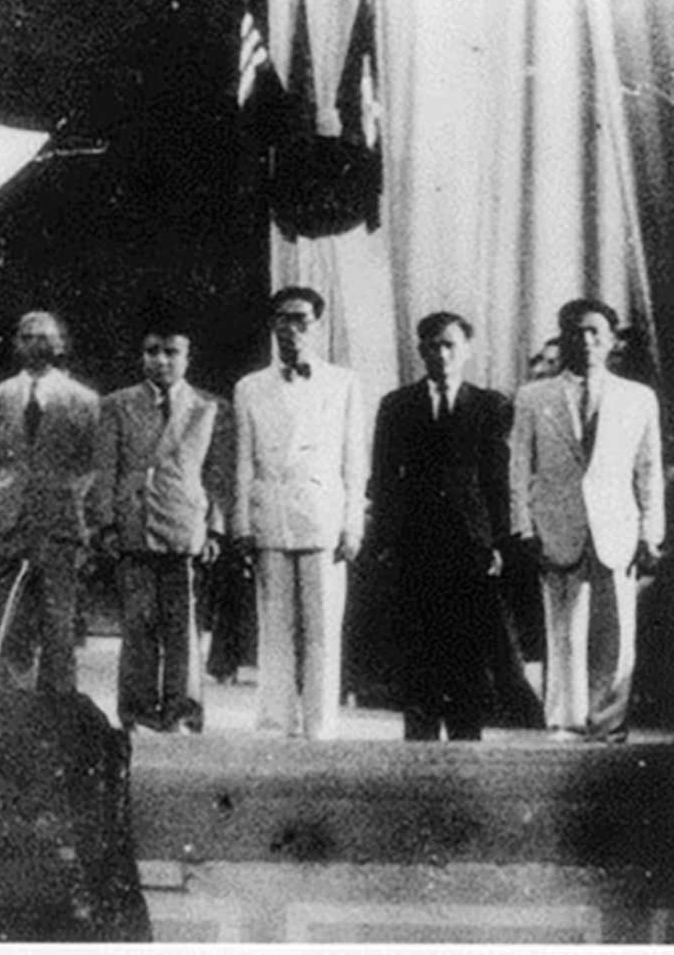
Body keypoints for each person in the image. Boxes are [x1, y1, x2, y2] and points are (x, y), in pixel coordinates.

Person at [509, 298, 663, 742]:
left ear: (612, 341)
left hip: (617, 528)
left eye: (596, 332)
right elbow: (519, 468)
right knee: (565, 629)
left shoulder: (637, 398)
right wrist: (525, 528)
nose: (587, 340)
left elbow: (648, 469)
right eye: (576, 332)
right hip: (558, 526)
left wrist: (651, 532)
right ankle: (567, 722)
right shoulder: (534, 397)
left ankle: (609, 724)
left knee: (616, 632)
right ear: (563, 339)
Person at [369, 312, 511, 741]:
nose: (442, 354)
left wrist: (498, 542)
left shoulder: (490, 406)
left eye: (450, 345)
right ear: (421, 351)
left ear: (466, 350)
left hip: (470, 543)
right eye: (433, 346)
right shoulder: (397, 405)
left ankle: (467, 735)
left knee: (467, 643)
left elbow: (498, 481)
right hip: (414, 540)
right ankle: (421, 736)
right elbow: (383, 477)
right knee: (417, 643)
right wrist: (384, 539)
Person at [232, 286, 366, 740]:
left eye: (301, 320)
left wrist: (352, 525)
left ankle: (321, 723)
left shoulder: (343, 383)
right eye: (283, 319)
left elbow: (354, 460)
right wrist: (242, 523)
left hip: (323, 518)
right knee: (275, 627)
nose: (292, 329)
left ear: (317, 325)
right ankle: (275, 721)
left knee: (323, 628)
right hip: (271, 515)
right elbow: (243, 461)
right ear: (273, 326)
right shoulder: (250, 387)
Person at [92, 316, 233, 732]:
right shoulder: (117, 405)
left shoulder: (210, 407)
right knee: (138, 624)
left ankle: (182, 712)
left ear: (187, 357)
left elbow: (219, 475)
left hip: (185, 526)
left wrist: (215, 529)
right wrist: (107, 524)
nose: (161, 360)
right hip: (134, 524)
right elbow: (105, 470)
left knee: (183, 625)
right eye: (152, 351)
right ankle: (136, 711)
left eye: (171, 352)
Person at [0, 311, 101, 693]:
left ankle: (58, 707)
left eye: (45, 337)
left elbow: (91, 463)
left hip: (60, 523)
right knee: (12, 621)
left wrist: (78, 512)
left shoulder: (83, 400)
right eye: (27, 336)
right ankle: (12, 704)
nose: (35, 344)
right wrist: (5, 500)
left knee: (58, 624)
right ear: (16, 344)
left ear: (60, 344)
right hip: (12, 520)